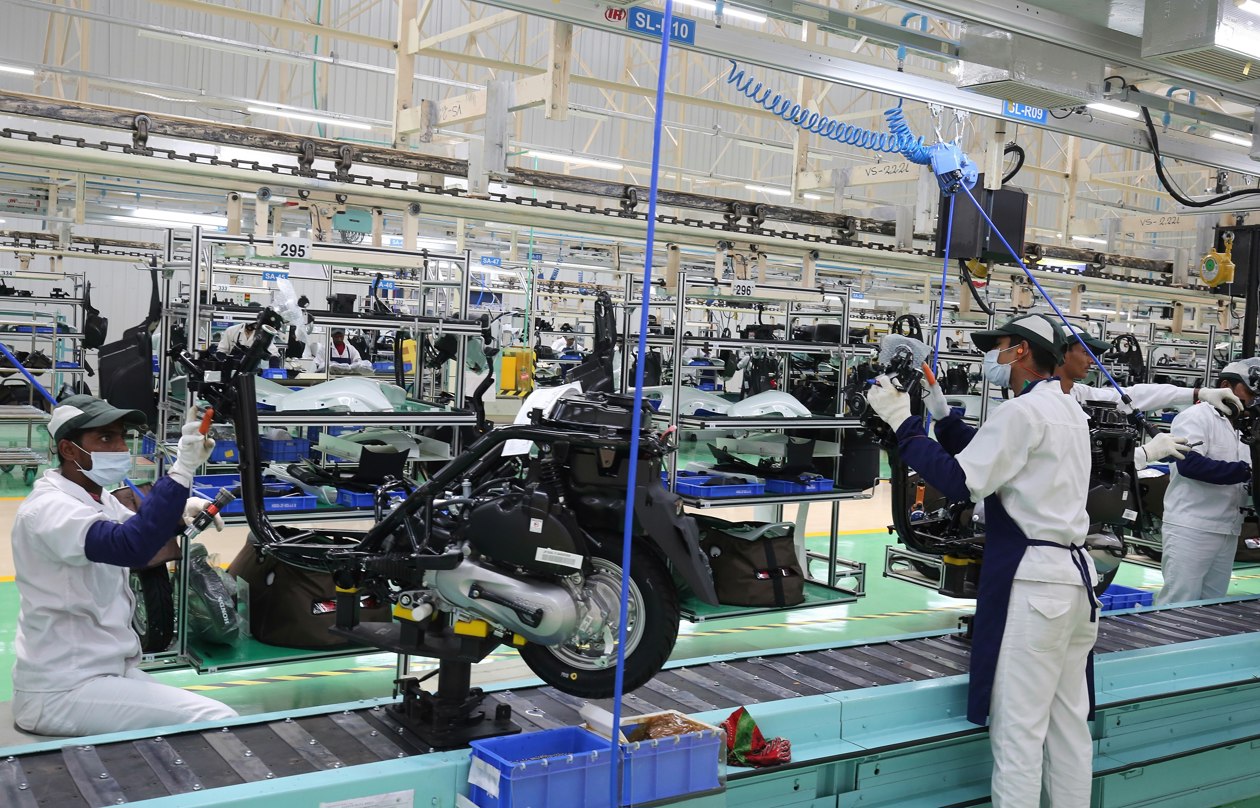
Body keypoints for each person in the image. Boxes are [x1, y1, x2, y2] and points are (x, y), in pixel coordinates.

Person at [868, 314, 1098, 806]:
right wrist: (936, 403)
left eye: (999, 345)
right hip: (1076, 585)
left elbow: (961, 481)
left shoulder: (1021, 415)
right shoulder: (1067, 409)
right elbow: (991, 453)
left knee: (1018, 733)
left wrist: (901, 423)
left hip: (1037, 588)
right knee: (1067, 726)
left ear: (1020, 352)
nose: (991, 354)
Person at [12, 395, 238, 736]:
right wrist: (181, 471)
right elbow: (131, 546)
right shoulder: (49, 509)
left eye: (121, 436)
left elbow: (136, 527)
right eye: (105, 438)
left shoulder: (95, 497)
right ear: (69, 450)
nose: (120, 447)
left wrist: (178, 514)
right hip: (64, 687)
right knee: (218, 718)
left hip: (103, 671)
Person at [1155, 358, 1259, 606]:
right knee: (1178, 602)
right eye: (1249, 392)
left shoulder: (1245, 427)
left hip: (1228, 529)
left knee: (1213, 606)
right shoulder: (1196, 417)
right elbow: (1189, 464)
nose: (1253, 400)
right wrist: (1248, 472)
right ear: (1225, 385)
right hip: (1192, 527)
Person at [1056, 323, 1241, 417]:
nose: (1092, 360)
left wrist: (1200, 393)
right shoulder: (1037, 399)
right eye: (1085, 352)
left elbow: (1136, 395)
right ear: (1063, 353)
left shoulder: (1081, 394)